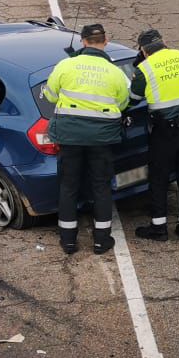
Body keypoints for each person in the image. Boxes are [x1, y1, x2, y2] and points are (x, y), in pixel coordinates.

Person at [40, 23, 130, 255]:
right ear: (105, 41)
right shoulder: (115, 73)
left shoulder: (66, 65)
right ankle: (102, 240)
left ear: (83, 41)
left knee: (69, 186)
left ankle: (68, 240)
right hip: (102, 138)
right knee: (101, 187)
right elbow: (122, 103)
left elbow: (50, 95)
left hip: (70, 136)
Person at [130, 28, 179, 243]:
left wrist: (139, 64)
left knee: (159, 179)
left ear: (143, 50)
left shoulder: (144, 68)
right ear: (164, 42)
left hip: (165, 133)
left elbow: (133, 99)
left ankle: (159, 228)